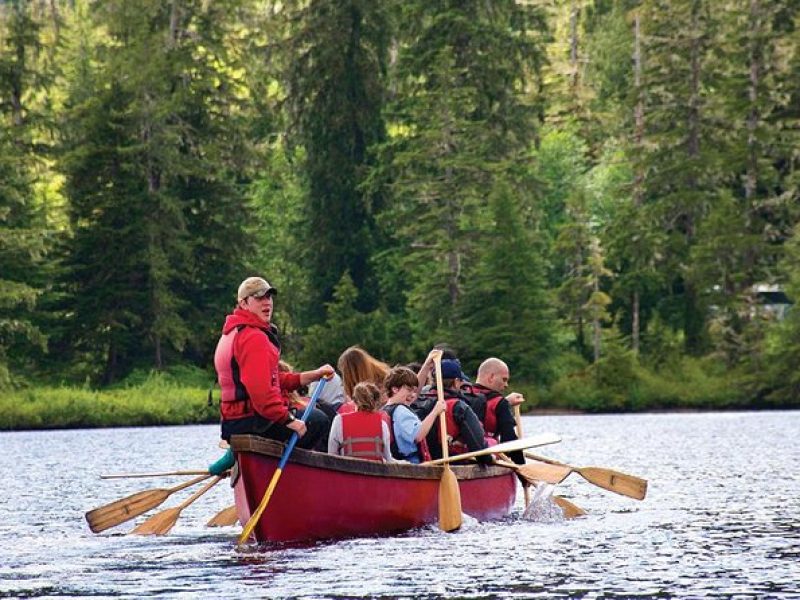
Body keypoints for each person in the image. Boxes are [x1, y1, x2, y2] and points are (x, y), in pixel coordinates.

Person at [214, 276, 333, 449]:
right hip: (253, 422)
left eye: (269, 297)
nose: (267, 303)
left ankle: (279, 464)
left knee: (315, 415)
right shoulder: (254, 338)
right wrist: (289, 421)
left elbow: (273, 379)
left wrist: (312, 375)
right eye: (259, 298)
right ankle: (293, 471)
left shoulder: (232, 332)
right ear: (243, 303)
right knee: (319, 420)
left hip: (233, 423)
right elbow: (261, 394)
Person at [412, 357, 491, 464]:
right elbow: (479, 450)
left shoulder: (417, 401)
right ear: (456, 381)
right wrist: (489, 460)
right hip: (451, 463)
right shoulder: (459, 407)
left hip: (421, 461)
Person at [461, 357, 526, 464]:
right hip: (487, 457)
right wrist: (522, 471)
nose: (506, 385)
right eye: (504, 379)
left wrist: (506, 402)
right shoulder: (500, 403)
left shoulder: (462, 395)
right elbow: (510, 441)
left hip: (461, 455)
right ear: (491, 377)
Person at [382, 365, 446, 463]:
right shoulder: (401, 411)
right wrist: (435, 412)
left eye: (414, 391)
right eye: (409, 390)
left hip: (396, 462)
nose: (413, 395)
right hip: (411, 463)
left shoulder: (384, 409)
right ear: (395, 389)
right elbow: (417, 435)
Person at [328, 382, 393, 462]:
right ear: (377, 402)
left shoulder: (339, 420)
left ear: (354, 401)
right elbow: (388, 458)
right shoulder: (382, 424)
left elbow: (331, 455)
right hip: (374, 472)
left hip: (346, 471)